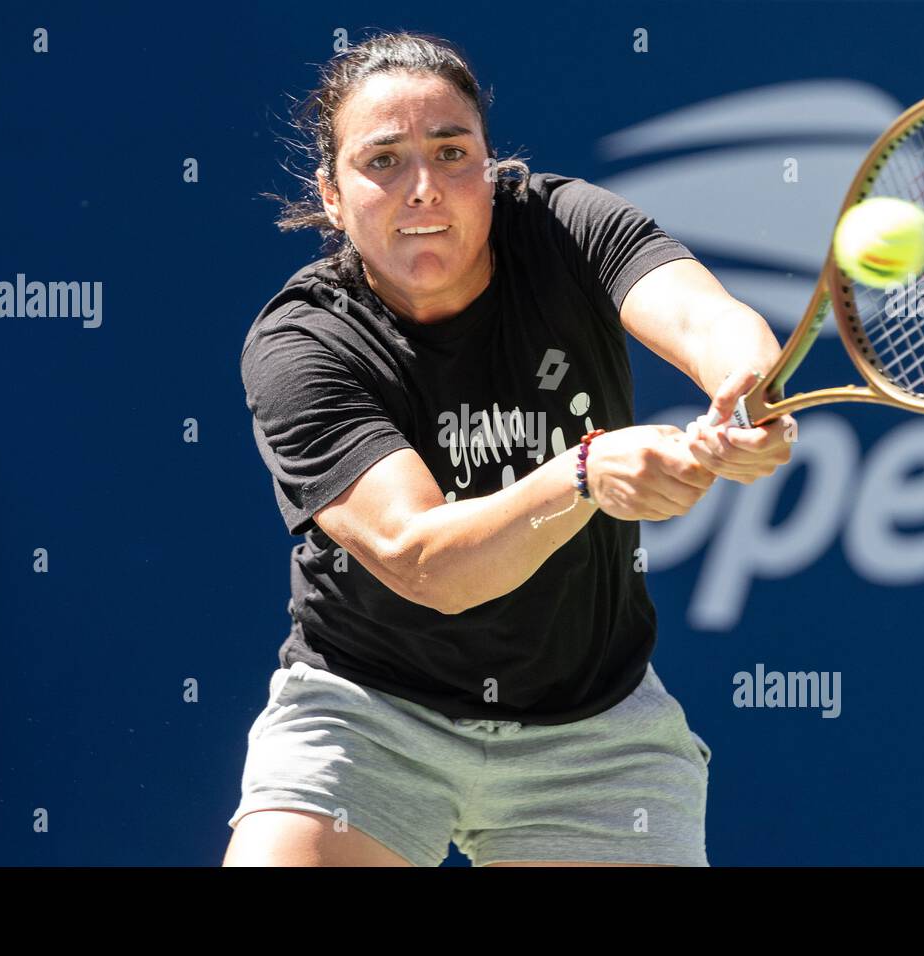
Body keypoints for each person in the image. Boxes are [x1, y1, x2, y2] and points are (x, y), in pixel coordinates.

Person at [223, 31, 793, 867]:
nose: (424, 188)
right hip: (368, 711)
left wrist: (742, 389)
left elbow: (711, 320)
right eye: (383, 161)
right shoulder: (302, 346)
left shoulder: (567, 227)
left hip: (592, 729)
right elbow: (430, 565)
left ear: (490, 169)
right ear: (333, 198)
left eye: (452, 152)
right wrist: (589, 471)